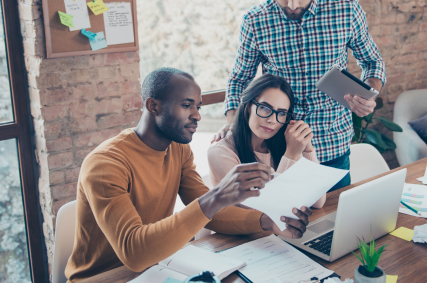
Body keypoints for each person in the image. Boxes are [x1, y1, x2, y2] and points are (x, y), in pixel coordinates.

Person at [65, 67, 314, 282]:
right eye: (186, 106)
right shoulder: (105, 163)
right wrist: (216, 197)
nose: (197, 115)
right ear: (153, 106)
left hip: (157, 268)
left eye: (198, 106)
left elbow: (211, 216)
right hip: (105, 277)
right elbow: (134, 253)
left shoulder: (179, 149)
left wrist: (267, 222)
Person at [213, 0, 386, 191]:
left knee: (334, 214)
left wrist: (368, 93)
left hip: (333, 145)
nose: (293, 5)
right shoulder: (255, 20)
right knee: (283, 215)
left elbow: (372, 61)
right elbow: (239, 79)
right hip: (281, 149)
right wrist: (232, 124)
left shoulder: (347, 9)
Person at [208, 74, 326, 208]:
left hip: (284, 227)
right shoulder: (220, 152)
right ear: (248, 106)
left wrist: (307, 149)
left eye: (281, 113)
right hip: (244, 228)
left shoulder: (282, 143)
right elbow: (264, 210)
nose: (272, 120)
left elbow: (318, 202)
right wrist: (291, 155)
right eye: (264, 108)